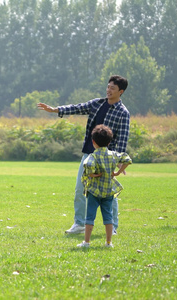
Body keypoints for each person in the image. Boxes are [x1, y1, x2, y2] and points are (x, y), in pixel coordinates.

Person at [37, 75, 130, 235]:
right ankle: (79, 223)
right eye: (108, 87)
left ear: (120, 92)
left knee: (108, 194)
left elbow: (122, 137)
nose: (108, 90)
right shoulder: (97, 104)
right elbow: (77, 107)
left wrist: (120, 161)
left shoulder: (123, 113)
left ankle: (112, 227)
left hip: (106, 158)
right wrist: (55, 110)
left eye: (112, 88)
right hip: (88, 155)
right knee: (80, 190)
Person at [76, 125, 132, 248]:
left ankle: (86, 242)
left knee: (90, 216)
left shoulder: (93, 156)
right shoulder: (113, 155)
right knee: (108, 216)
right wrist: (118, 172)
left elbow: (88, 165)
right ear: (109, 141)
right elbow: (127, 158)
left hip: (94, 191)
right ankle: (108, 242)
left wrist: (93, 174)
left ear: (93, 142)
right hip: (108, 191)